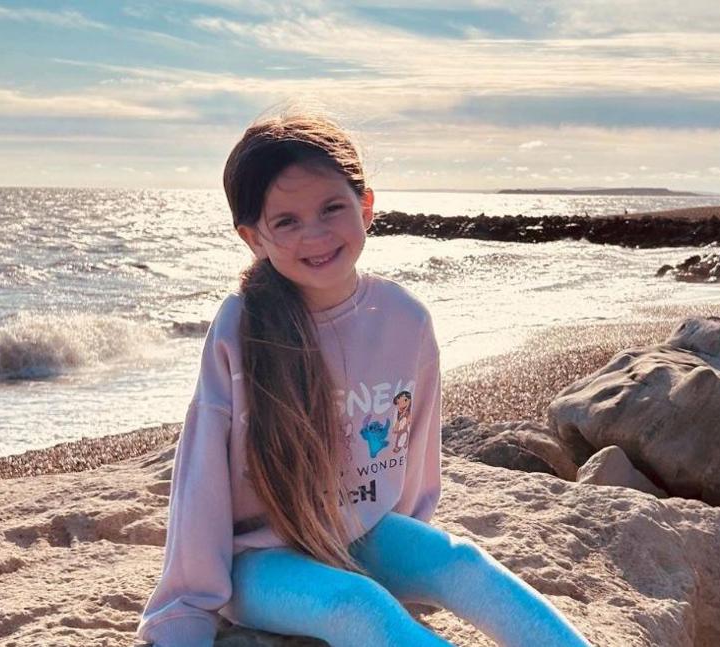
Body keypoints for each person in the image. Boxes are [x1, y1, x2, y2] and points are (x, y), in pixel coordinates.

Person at [136, 111, 592, 647]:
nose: (317, 233)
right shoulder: (240, 326)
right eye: (286, 221)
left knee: (464, 562)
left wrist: (409, 556)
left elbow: (415, 453)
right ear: (253, 237)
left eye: (333, 207)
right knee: (362, 606)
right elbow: (203, 473)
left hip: (363, 533)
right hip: (258, 563)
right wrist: (188, 612)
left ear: (366, 206)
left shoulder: (405, 319)